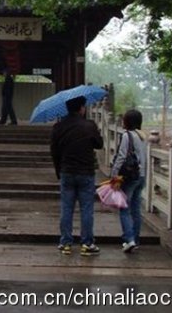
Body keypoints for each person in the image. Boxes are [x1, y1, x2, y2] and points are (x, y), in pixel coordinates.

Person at [51, 95, 104, 256]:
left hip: (67, 171)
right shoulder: (89, 125)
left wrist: (58, 170)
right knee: (86, 209)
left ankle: (65, 243)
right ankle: (87, 243)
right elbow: (99, 144)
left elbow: (54, 150)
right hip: (86, 171)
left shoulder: (59, 127)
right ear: (81, 108)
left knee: (66, 208)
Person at [110, 109, 147, 253]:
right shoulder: (143, 136)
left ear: (127, 121)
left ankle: (129, 239)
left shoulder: (127, 135)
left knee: (124, 208)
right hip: (141, 176)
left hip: (130, 177)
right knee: (136, 209)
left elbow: (121, 156)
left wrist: (114, 174)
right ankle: (135, 240)